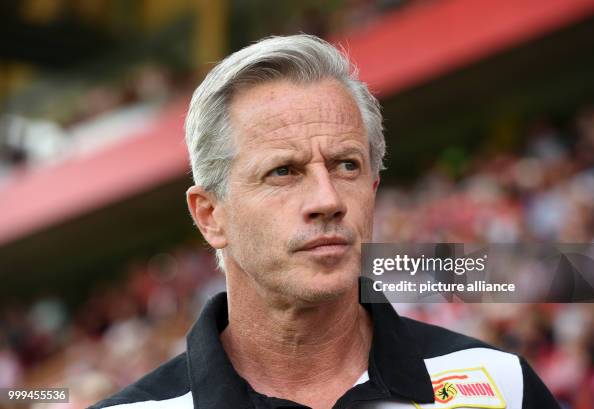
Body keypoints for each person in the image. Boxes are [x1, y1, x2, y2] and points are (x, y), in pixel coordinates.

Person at [89, 34, 560, 409]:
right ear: (211, 216)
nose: (328, 199)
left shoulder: (502, 388)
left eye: (347, 165)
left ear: (373, 189)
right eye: (283, 171)